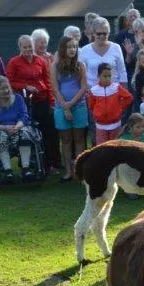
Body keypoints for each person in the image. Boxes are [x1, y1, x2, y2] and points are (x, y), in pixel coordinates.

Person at [6, 34, 60, 174]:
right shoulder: (14, 62)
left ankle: (51, 163)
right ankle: (32, 163)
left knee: (49, 133)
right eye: (25, 47)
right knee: (30, 133)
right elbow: (9, 81)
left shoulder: (41, 61)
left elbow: (48, 82)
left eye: (30, 46)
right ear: (20, 47)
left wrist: (51, 102)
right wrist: (25, 86)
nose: (28, 49)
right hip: (24, 103)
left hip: (43, 101)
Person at [0, 76, 43, 183]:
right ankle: (8, 171)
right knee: (2, 136)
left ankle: (26, 169)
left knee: (25, 133)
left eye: (7, 87)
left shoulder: (18, 99)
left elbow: (24, 116)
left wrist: (17, 127)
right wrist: (5, 128)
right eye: (2, 89)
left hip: (19, 127)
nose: (6, 90)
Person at [79, 17, 128, 144]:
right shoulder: (84, 50)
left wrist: (123, 92)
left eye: (105, 33)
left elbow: (122, 71)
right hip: (94, 96)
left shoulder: (116, 47)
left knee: (115, 131)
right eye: (98, 33)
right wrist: (85, 90)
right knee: (95, 129)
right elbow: (80, 74)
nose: (102, 36)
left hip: (114, 95)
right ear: (93, 33)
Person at [50, 35, 88, 182]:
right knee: (65, 140)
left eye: (74, 47)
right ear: (62, 48)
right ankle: (68, 171)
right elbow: (55, 88)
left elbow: (83, 87)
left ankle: (79, 170)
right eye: (69, 47)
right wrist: (65, 107)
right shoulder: (54, 66)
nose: (72, 49)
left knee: (79, 139)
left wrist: (71, 103)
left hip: (79, 106)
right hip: (61, 107)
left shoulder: (80, 65)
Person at [88, 63, 133, 144]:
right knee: (102, 147)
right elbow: (91, 105)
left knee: (115, 146)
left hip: (115, 124)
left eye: (109, 76)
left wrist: (119, 107)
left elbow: (129, 97)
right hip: (100, 125)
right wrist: (97, 114)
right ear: (98, 76)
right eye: (105, 76)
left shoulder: (116, 87)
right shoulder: (93, 90)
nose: (108, 79)